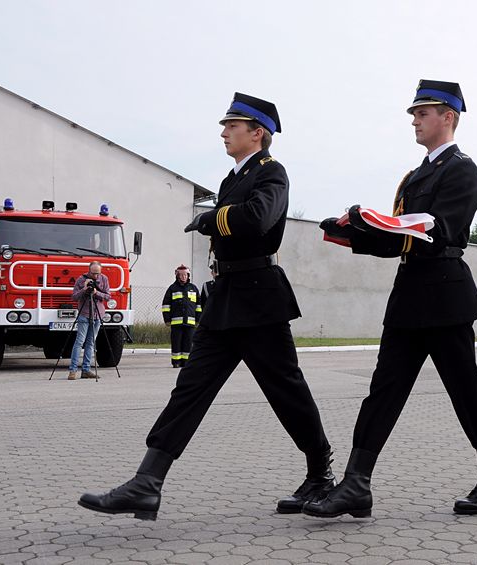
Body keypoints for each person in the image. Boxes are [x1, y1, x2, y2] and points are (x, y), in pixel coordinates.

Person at [79, 93, 335, 520]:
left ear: (258, 133)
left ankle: (320, 474)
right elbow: (236, 214)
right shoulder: (232, 179)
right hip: (226, 297)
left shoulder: (273, 173)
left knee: (285, 391)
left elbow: (257, 218)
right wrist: (217, 212)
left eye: (232, 126)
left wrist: (211, 217)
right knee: (191, 387)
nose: (223, 132)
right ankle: (147, 482)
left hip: (259, 297)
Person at [309, 79, 477, 518]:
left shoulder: (463, 170)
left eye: (422, 113)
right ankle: (356, 483)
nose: (415, 121)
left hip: (445, 294)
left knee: (464, 389)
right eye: (414, 114)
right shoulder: (414, 175)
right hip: (410, 295)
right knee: (383, 391)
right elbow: (400, 239)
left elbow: (433, 228)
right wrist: (354, 234)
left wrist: (376, 221)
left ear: (448, 117)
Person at [67, 261, 111, 380]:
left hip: (98, 314)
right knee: (79, 341)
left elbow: (108, 296)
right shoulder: (81, 279)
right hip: (84, 314)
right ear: (89, 271)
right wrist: (84, 289)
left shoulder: (104, 279)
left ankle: (86, 369)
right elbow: (74, 297)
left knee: (91, 342)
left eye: (98, 273)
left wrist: (97, 293)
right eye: (93, 273)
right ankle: (73, 370)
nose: (96, 276)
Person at [161, 265, 201, 368]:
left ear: (188, 276)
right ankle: (176, 362)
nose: (183, 277)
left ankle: (186, 362)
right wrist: (167, 320)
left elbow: (198, 306)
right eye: (181, 275)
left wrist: (198, 319)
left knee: (188, 343)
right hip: (176, 323)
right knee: (176, 343)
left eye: (185, 275)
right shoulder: (172, 288)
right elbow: (166, 305)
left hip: (190, 323)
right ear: (177, 276)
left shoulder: (193, 288)